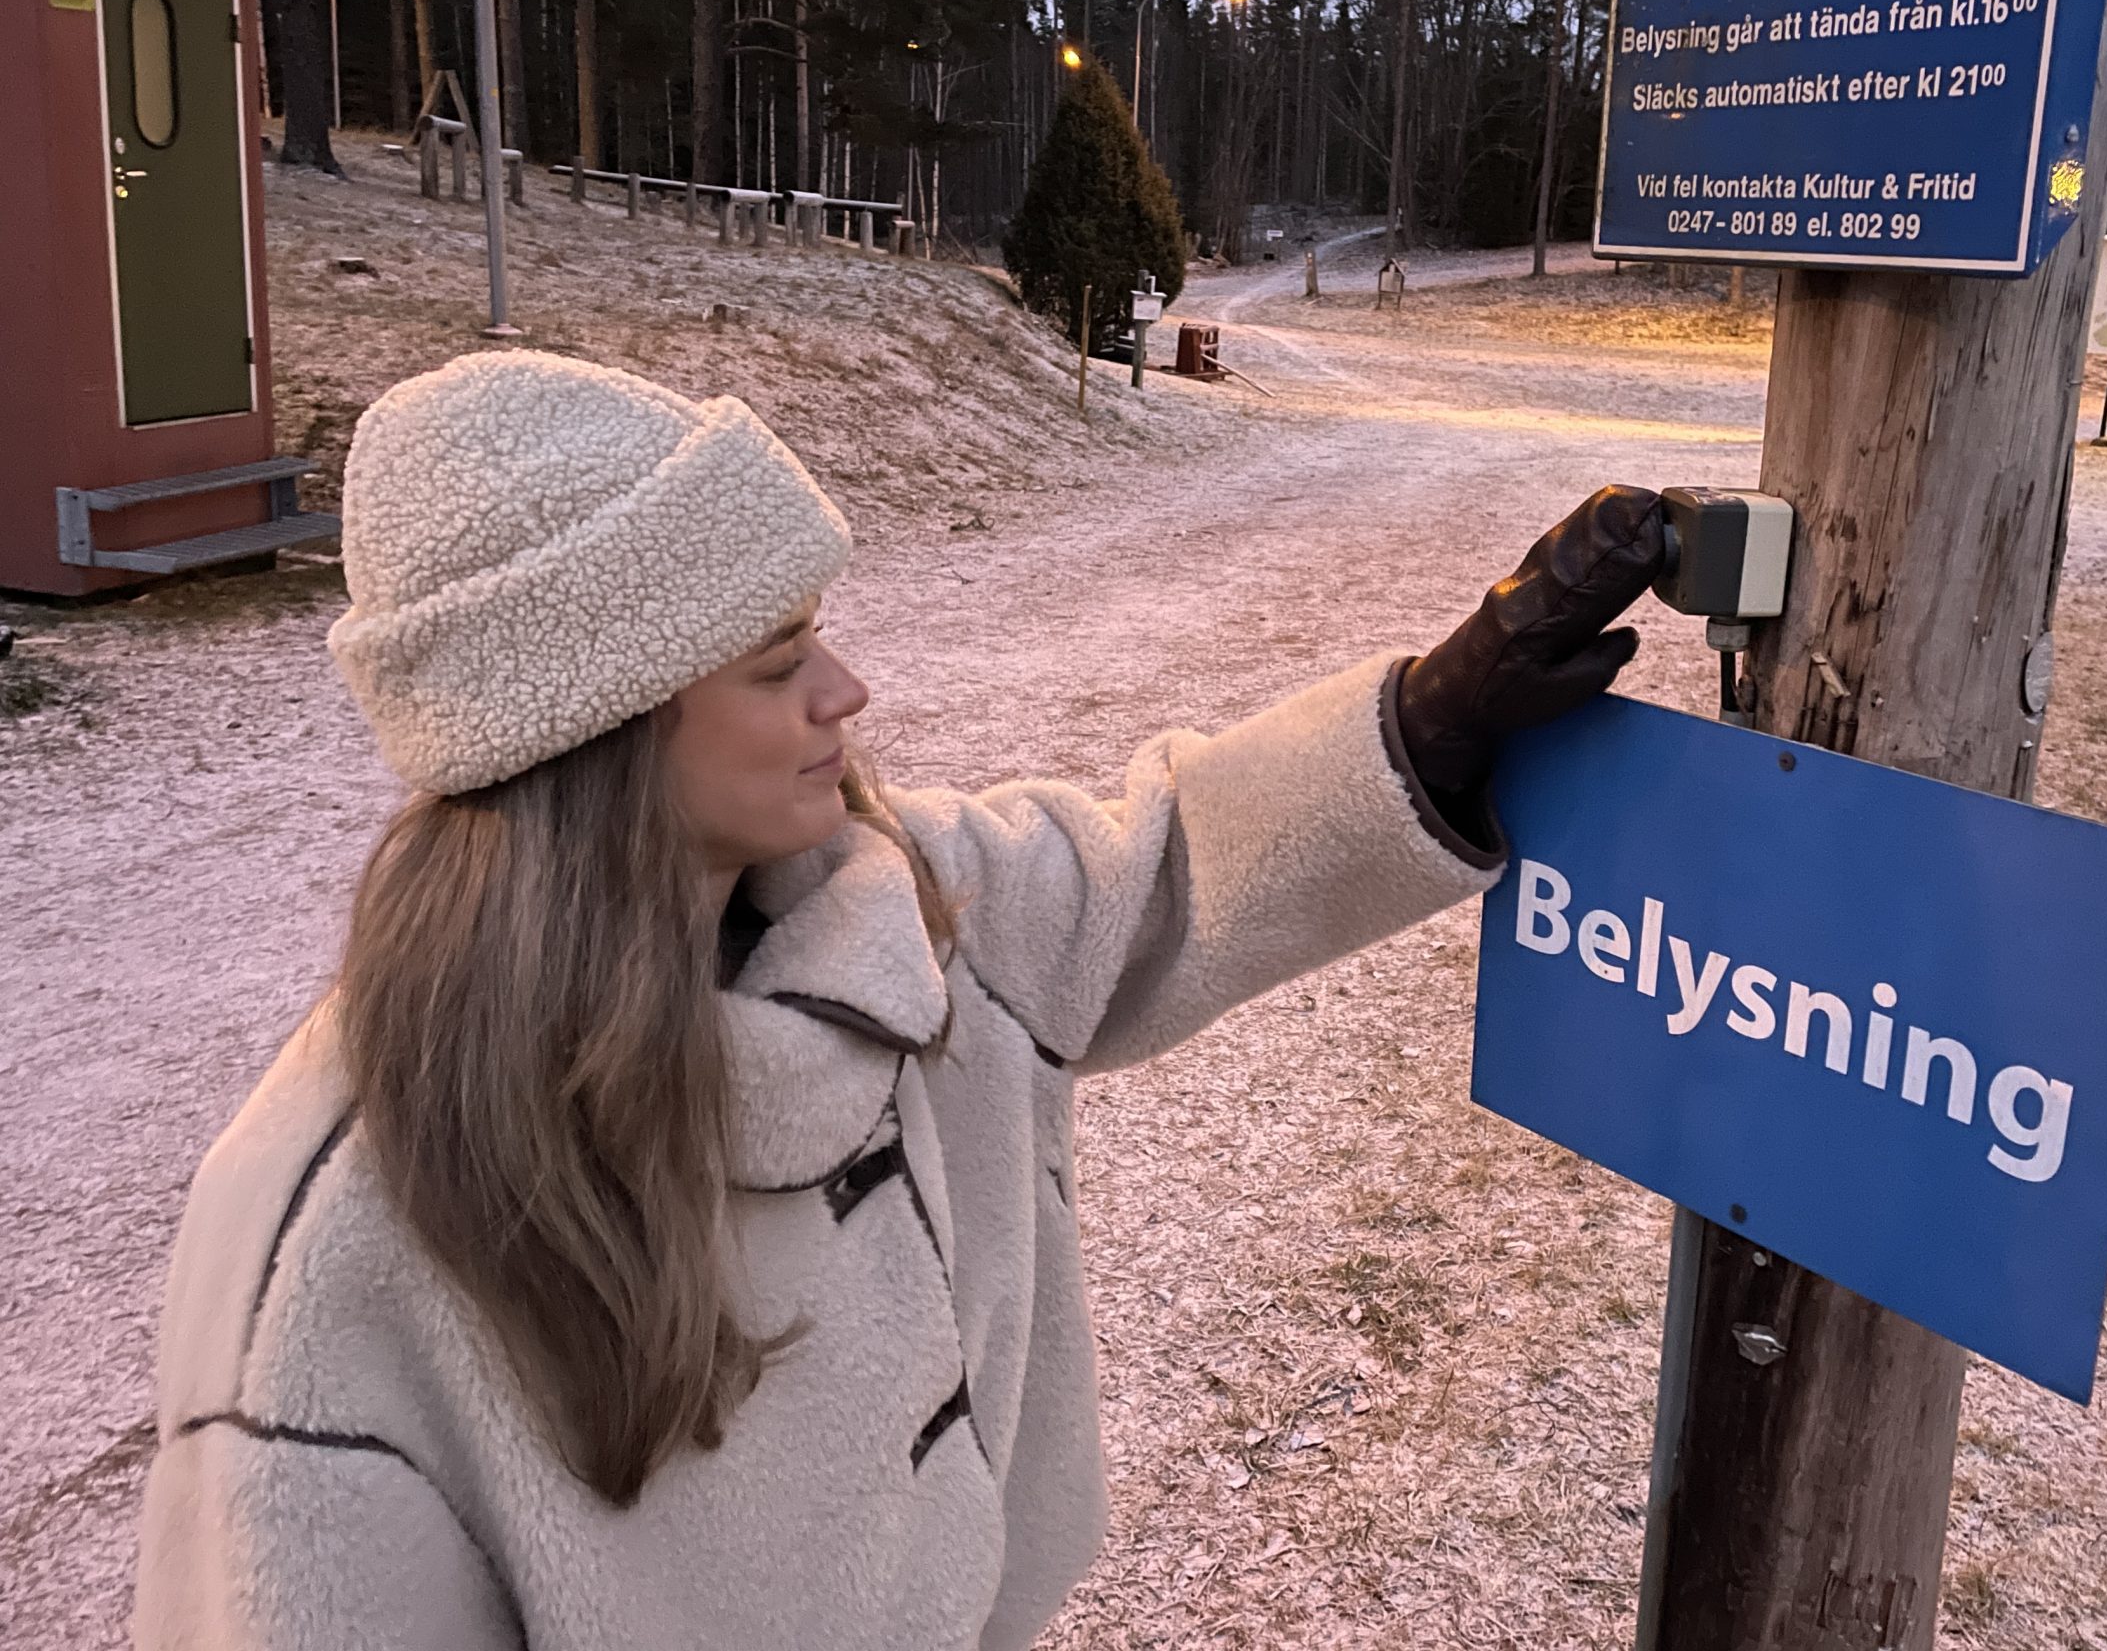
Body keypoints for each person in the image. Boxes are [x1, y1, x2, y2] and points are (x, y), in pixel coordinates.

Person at [133, 350, 1666, 1649]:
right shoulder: (341, 1245)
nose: (845, 693)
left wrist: (1437, 718)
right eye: (780, 659)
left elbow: (1165, 865)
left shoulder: (909, 911)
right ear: (593, 724)